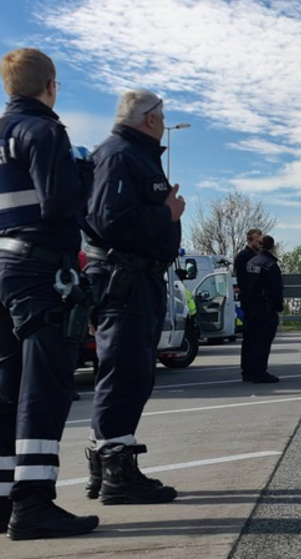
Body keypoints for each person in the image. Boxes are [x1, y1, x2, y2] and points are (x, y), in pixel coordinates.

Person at [0, 48, 98, 539]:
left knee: (4, 386)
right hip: (37, 268)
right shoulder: (44, 130)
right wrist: (84, 172)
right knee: (45, 387)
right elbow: (60, 202)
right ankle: (33, 503)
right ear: (51, 86)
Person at [82, 89, 184, 506]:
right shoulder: (120, 155)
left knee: (129, 373)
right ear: (150, 119)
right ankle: (117, 474)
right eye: (162, 115)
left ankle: (105, 464)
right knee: (125, 373)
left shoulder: (131, 153)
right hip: (124, 278)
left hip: (134, 277)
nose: (164, 121)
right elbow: (108, 220)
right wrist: (167, 214)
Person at [241, 235, 283, 383]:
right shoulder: (270, 265)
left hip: (250, 307)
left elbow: (244, 284)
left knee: (250, 340)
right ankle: (260, 372)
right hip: (265, 308)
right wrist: (278, 306)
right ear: (273, 247)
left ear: (259, 245)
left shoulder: (250, 262)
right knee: (263, 341)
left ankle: (248, 371)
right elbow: (276, 289)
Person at [233, 228, 262, 303]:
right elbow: (241, 278)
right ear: (249, 240)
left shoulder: (261, 256)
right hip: (249, 298)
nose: (259, 244)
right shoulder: (243, 256)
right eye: (257, 241)